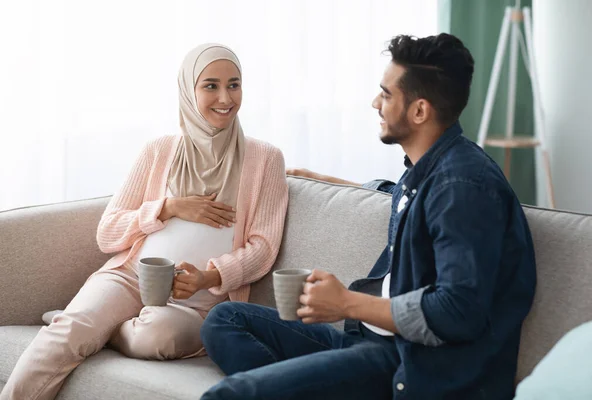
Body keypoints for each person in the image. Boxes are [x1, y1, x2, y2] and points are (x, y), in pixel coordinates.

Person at [199, 33, 536, 400]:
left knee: (230, 394)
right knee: (224, 319)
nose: (376, 102)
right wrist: (337, 183)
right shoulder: (431, 171)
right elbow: (412, 203)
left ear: (419, 110)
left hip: (408, 363)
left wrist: (345, 303)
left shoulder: (463, 187)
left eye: (387, 94)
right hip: (368, 340)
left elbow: (459, 310)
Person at [0, 43, 288, 400]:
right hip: (130, 277)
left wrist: (210, 276)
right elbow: (108, 233)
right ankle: (87, 326)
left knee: (157, 336)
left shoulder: (266, 159)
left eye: (234, 84)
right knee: (69, 331)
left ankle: (107, 329)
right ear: (188, 90)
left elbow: (263, 247)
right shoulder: (159, 149)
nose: (225, 97)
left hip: (197, 300)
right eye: (210, 85)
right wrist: (168, 207)